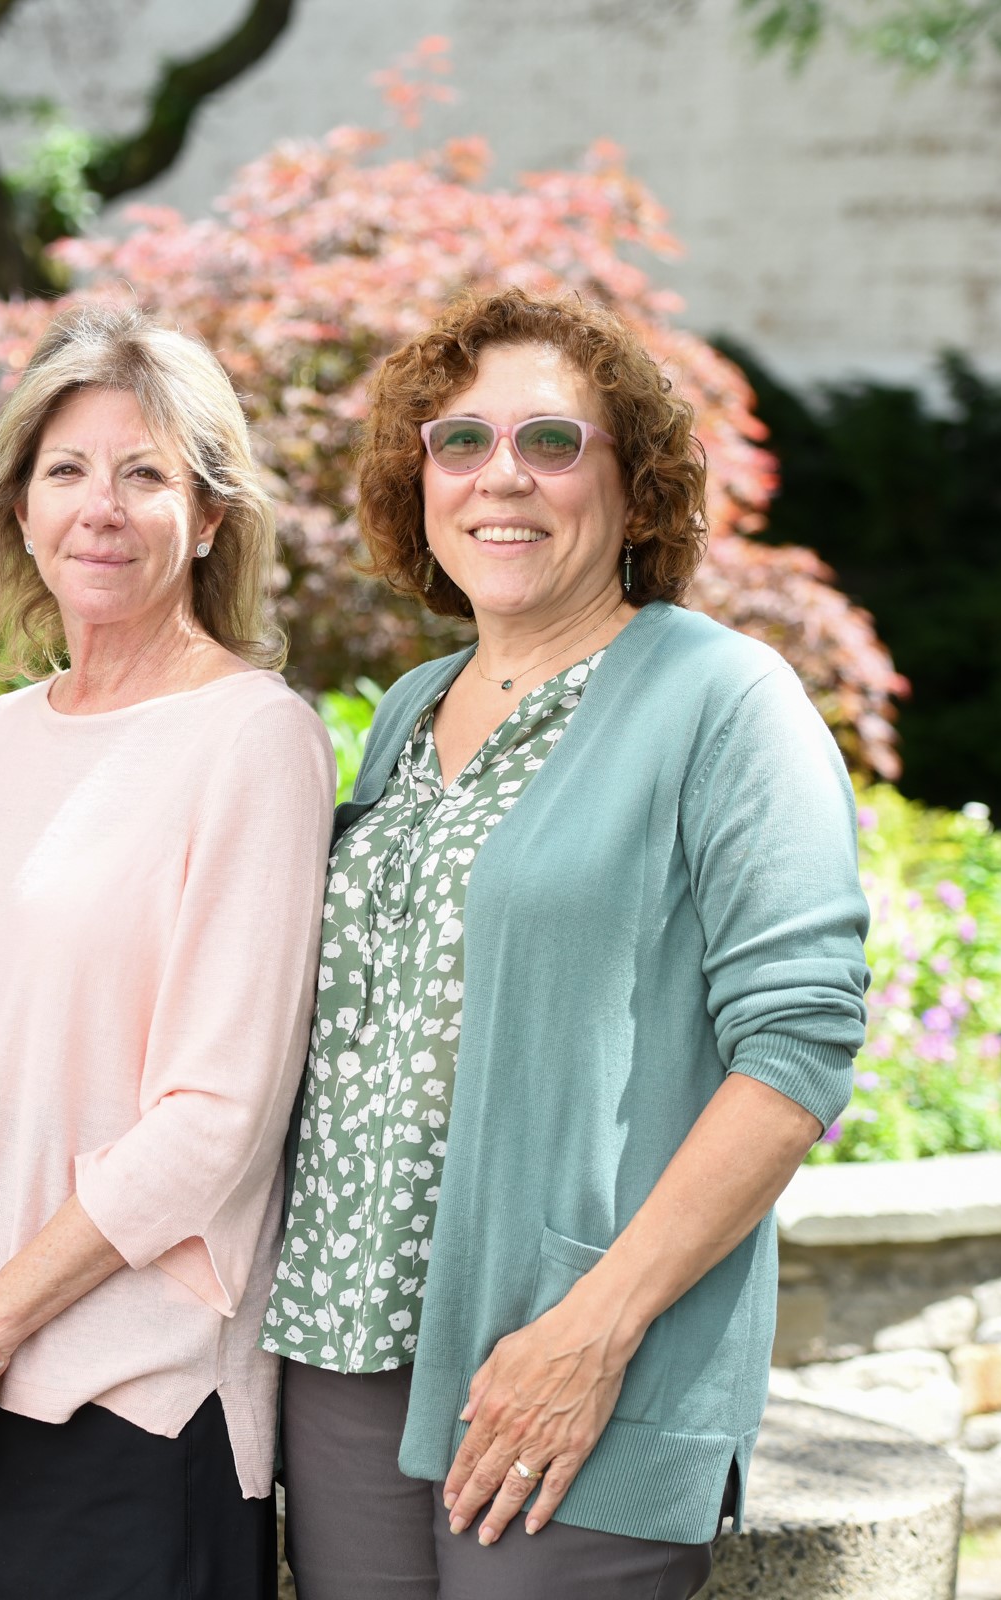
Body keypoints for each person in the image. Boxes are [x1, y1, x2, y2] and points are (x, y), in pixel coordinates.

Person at [262, 290, 870, 1600]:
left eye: (551, 440)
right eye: (461, 441)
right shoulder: (410, 709)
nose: (502, 476)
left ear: (635, 490)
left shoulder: (725, 700)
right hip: (345, 1344)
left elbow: (798, 1050)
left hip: (569, 1355)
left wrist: (594, 1332)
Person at [0, 305, 336, 1600]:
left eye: (146, 473)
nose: (102, 507)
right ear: (22, 510)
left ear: (208, 517)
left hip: (123, 1406)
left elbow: (215, 1117)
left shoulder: (256, 741)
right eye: (68, 471)